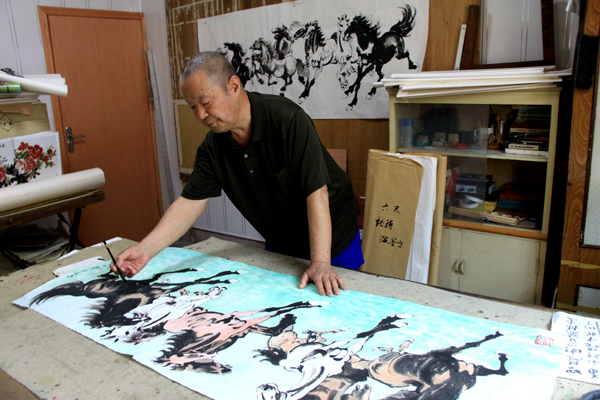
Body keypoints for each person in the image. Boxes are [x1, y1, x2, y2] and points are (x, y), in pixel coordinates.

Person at [111, 51, 363, 296]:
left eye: (205, 103)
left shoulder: (287, 119)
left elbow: (316, 192)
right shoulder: (213, 147)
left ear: (233, 86)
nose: (201, 115)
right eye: (193, 107)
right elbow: (189, 203)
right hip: (281, 239)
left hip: (332, 237)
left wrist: (320, 262)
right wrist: (145, 250)